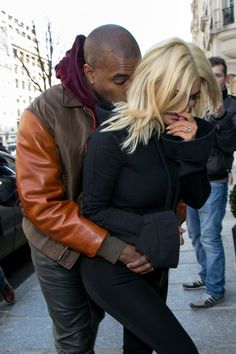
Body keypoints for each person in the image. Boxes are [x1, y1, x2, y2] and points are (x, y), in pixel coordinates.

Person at [80, 38, 220, 354]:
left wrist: (190, 153)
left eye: (193, 98)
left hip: (154, 264)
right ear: (155, 85)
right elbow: (93, 209)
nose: (186, 108)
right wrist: (162, 228)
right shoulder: (110, 138)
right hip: (113, 271)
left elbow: (197, 199)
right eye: (178, 95)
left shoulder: (171, 133)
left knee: (140, 350)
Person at [16, 24, 142, 354]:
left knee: (94, 319)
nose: (131, 90)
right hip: (57, 248)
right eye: (120, 80)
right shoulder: (43, 112)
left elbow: (152, 172)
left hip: (106, 240)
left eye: (135, 78)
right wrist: (112, 247)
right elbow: (41, 205)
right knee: (74, 339)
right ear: (89, 71)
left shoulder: (132, 106)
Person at [184, 56, 236, 309]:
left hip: (215, 180)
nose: (214, 80)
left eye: (218, 75)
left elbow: (230, 145)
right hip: (194, 178)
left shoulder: (231, 107)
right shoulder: (196, 102)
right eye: (210, 75)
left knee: (210, 236)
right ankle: (206, 276)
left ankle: (215, 289)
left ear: (224, 78)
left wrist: (222, 118)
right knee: (195, 233)